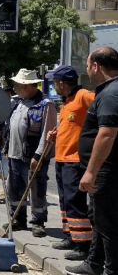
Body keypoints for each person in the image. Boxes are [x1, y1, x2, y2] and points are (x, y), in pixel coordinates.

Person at [65, 47, 118, 275]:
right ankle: (95, 263)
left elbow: (107, 133)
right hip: (102, 169)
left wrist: (91, 171)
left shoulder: (110, 94)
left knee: (108, 222)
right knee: (98, 217)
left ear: (96, 65)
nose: (86, 70)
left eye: (87, 65)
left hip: (105, 170)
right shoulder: (108, 91)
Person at [44, 65, 95, 261]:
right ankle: (70, 236)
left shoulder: (83, 95)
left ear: (61, 83)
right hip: (62, 158)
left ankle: (83, 245)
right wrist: (57, 133)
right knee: (65, 200)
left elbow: (102, 111)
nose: (54, 86)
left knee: (75, 202)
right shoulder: (67, 102)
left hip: (75, 160)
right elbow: (72, 126)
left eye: (55, 82)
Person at [6, 69, 57, 237]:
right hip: (15, 155)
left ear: (26, 86)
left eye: (17, 84)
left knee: (36, 190)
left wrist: (38, 156)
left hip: (32, 156)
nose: (14, 87)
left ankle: (38, 221)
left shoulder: (45, 104)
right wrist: (7, 148)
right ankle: (18, 218)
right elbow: (12, 128)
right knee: (14, 189)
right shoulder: (19, 102)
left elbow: (47, 133)